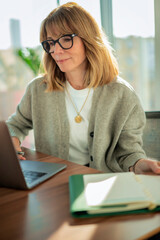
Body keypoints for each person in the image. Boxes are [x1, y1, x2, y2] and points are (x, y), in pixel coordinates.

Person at [6, 2, 160, 175]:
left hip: (103, 182)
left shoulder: (123, 95)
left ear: (88, 39)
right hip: (52, 181)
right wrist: (12, 139)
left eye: (66, 39)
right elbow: (16, 125)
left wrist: (139, 163)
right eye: (50, 43)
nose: (56, 50)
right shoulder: (37, 89)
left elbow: (129, 152)